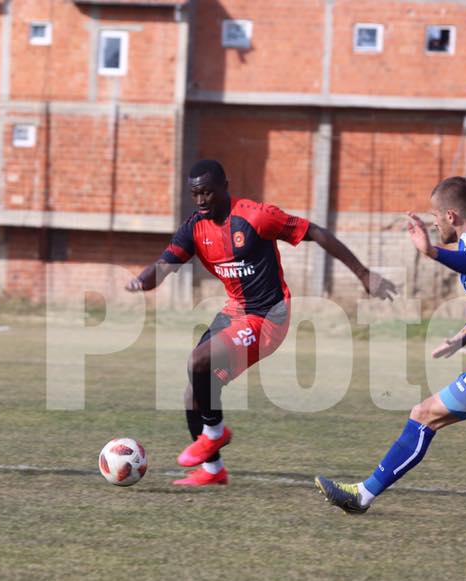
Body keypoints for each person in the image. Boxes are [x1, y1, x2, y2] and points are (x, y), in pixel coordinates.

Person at [127, 159, 397, 486]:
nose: (200, 201)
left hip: (269, 317)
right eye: (195, 194)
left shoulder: (256, 216)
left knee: (198, 361)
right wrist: (141, 282)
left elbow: (316, 232)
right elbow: (164, 266)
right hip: (235, 311)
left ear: (225, 187)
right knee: (194, 391)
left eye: (207, 193)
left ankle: (214, 433)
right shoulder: (194, 227)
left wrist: (364, 274)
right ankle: (213, 471)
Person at [316, 176, 466, 512]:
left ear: (451, 216)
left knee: (424, 415)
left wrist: (432, 252)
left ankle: (361, 495)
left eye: (436, 218)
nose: (434, 224)